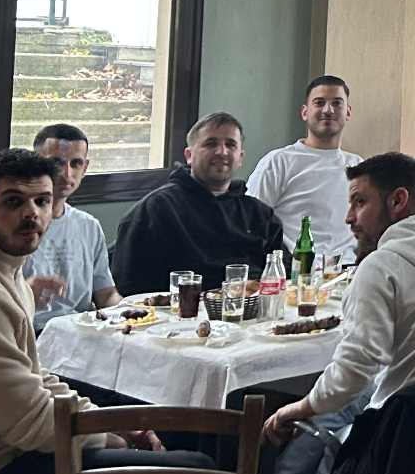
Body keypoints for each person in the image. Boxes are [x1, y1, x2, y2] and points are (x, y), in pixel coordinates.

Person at [0, 149, 216, 474]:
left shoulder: (0, 269)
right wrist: (110, 436)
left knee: (188, 461)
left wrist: (116, 422)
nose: (31, 214)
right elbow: (31, 425)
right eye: (13, 202)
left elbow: (36, 377)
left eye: (42, 201)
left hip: (12, 451)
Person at [263, 152, 415, 449]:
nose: (349, 217)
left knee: (301, 430)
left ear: (398, 201)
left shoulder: (380, 267)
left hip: (404, 442)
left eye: (360, 202)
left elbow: (353, 371)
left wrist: (296, 409)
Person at [110, 112, 286, 294]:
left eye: (230, 145)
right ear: (189, 155)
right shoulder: (156, 209)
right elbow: (130, 287)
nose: (222, 152)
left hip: (257, 307)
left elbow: (283, 276)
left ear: (240, 157)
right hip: (182, 308)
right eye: (211, 144)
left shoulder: (260, 215)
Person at [246, 75, 363, 258]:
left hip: (350, 269)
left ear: (348, 112)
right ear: (304, 112)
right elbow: (250, 222)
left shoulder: (359, 166)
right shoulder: (278, 162)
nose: (328, 110)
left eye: (337, 103)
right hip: (296, 269)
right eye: (319, 103)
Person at [25, 123, 119, 330]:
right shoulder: (12, 224)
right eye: (56, 163)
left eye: (76, 163)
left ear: (85, 168)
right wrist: (23, 293)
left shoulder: (89, 226)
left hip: (82, 333)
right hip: (30, 334)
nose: (66, 174)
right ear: (36, 164)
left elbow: (105, 294)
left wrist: (129, 312)